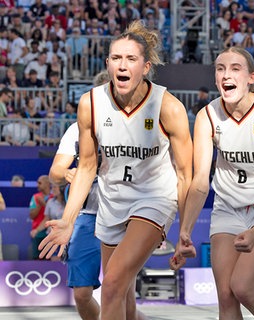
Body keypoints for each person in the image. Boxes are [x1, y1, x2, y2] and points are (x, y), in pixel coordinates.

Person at [38, 20, 193, 320]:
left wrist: (184, 227)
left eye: (131, 59)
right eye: (117, 58)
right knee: (121, 297)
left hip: (154, 198)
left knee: (109, 286)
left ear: (145, 67)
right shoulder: (90, 104)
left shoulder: (168, 107)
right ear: (108, 63)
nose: (123, 65)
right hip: (110, 204)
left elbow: (187, 175)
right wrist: (68, 221)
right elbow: (85, 168)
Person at [169, 46, 254, 320]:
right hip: (227, 208)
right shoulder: (207, 116)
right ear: (215, 79)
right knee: (225, 295)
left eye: (235, 68)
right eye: (220, 69)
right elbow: (201, 180)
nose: (226, 74)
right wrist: (184, 231)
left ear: (251, 77)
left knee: (243, 287)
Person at [47, 70, 109, 320]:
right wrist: (68, 173)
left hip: (122, 215)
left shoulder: (134, 127)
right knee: (82, 295)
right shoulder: (77, 129)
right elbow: (55, 173)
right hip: (86, 217)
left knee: (120, 294)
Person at [30, 175, 52, 260]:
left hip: (51, 229)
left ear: (47, 184)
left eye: (40, 183)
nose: (37, 185)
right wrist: (39, 205)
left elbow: (51, 214)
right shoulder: (35, 197)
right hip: (38, 230)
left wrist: (44, 204)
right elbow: (32, 216)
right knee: (37, 256)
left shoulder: (54, 196)